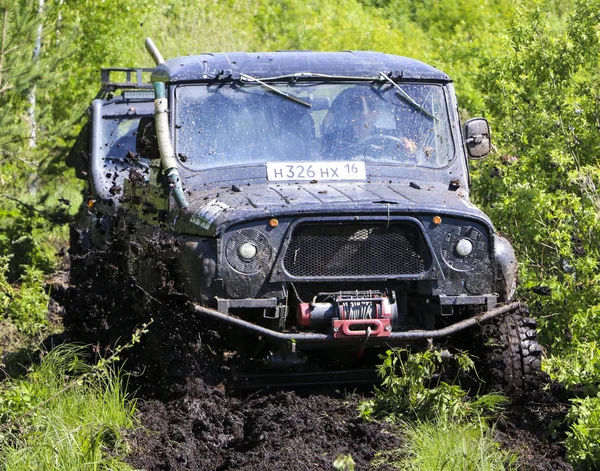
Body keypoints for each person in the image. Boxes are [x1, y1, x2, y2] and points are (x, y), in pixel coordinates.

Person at [321, 86, 416, 159]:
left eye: (371, 106)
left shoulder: (394, 137)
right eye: (358, 106)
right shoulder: (333, 140)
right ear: (350, 112)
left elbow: (408, 166)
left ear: (378, 112)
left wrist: (409, 151)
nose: (364, 112)